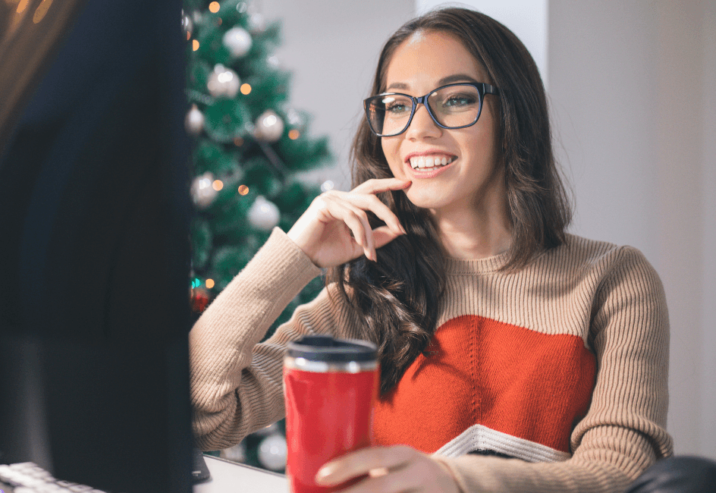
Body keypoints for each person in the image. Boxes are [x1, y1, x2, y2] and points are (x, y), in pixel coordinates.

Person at [188, 7, 716, 492]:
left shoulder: (614, 281)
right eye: (397, 105)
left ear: (513, 118)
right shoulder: (367, 290)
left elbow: (622, 473)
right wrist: (294, 254)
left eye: (457, 98)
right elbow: (201, 417)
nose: (418, 128)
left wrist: (453, 482)